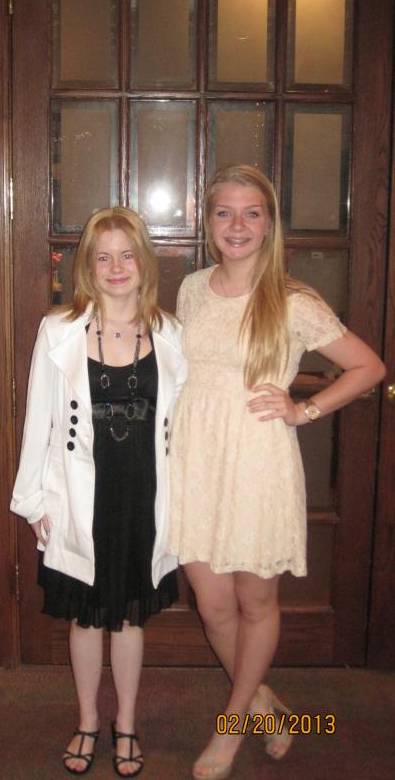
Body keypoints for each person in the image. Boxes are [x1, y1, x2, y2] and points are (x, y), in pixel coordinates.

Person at [168, 164, 386, 780]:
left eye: (252, 213)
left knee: (254, 599)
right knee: (212, 604)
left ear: (269, 224)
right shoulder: (191, 288)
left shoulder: (292, 300)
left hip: (257, 462)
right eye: (224, 212)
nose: (237, 225)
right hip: (195, 458)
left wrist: (304, 409)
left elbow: (369, 367)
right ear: (208, 221)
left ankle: (233, 724)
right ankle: (262, 704)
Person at [11, 207, 186, 777]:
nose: (116, 267)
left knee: (130, 618)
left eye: (127, 255)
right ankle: (88, 719)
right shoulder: (58, 330)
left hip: (143, 495)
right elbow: (38, 420)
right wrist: (34, 500)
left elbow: (185, 426)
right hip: (78, 493)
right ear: (87, 266)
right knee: (86, 618)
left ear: (144, 263)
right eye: (103, 256)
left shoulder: (171, 333)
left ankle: (126, 722)